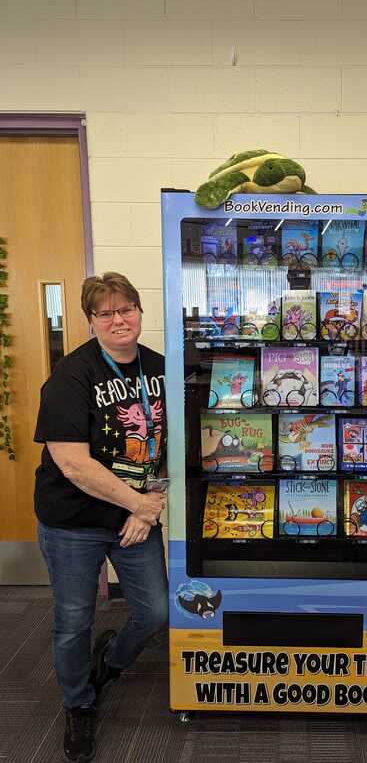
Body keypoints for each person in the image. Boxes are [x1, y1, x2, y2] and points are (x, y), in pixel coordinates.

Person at [34, 272, 169, 763]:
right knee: (73, 621)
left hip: (137, 516)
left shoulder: (159, 367)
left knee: (156, 610)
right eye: (106, 313)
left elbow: (170, 447)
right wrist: (139, 505)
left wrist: (151, 501)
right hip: (74, 521)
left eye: (126, 309)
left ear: (139, 311)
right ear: (92, 322)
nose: (118, 320)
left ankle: (108, 663)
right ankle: (79, 704)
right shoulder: (71, 377)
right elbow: (72, 463)